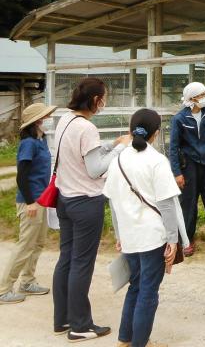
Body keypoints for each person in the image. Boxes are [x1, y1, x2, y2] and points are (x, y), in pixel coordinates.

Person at [53, 77, 129, 341]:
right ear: (96, 100)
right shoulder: (87, 128)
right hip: (86, 202)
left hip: (65, 199)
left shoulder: (66, 119)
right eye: (104, 97)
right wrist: (121, 151)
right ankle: (80, 326)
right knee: (81, 264)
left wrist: (112, 144)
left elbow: (86, 155)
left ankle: (63, 319)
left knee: (66, 258)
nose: (105, 102)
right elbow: (96, 168)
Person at [103, 108, 187, 347]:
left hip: (129, 235)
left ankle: (125, 339)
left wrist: (119, 234)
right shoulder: (157, 161)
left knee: (136, 286)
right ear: (156, 133)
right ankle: (140, 342)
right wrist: (173, 239)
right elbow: (167, 205)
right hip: (153, 236)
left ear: (131, 130)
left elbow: (113, 201)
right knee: (148, 293)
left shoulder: (118, 159)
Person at [0, 103, 57, 304]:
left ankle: (27, 281)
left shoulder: (40, 141)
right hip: (30, 202)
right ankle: (4, 289)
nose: (49, 119)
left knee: (38, 242)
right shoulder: (29, 144)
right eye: (46, 117)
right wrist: (31, 201)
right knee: (25, 244)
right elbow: (21, 175)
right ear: (37, 122)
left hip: (41, 200)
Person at [168, 82, 205, 256]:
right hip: (188, 165)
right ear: (192, 98)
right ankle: (187, 239)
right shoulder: (179, 119)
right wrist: (177, 172)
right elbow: (173, 147)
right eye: (202, 95)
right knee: (188, 202)